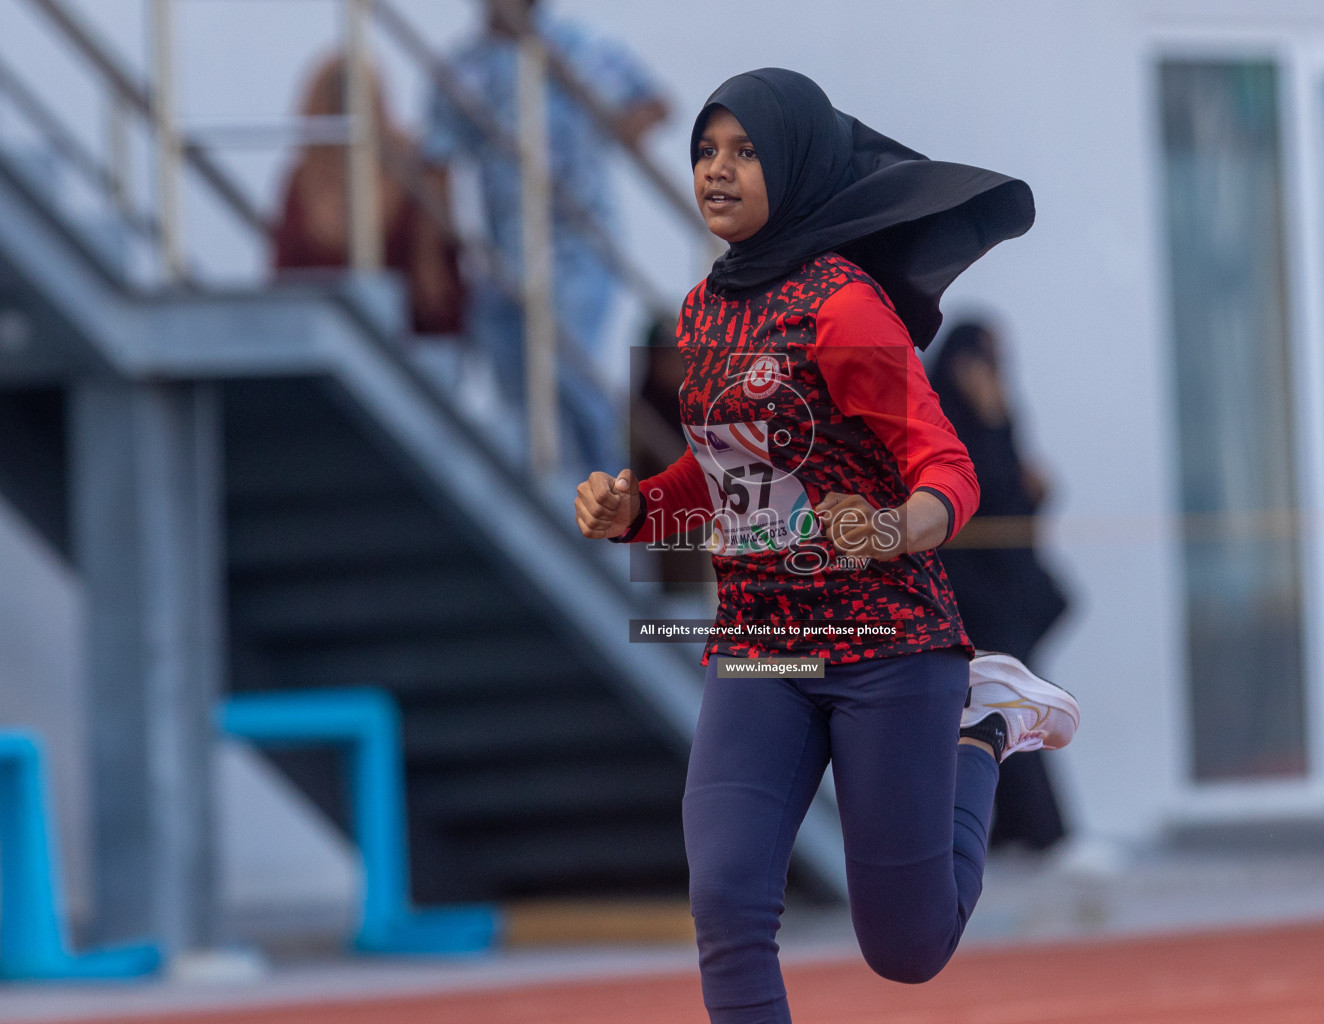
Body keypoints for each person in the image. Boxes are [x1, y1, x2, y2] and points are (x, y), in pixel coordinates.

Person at [573, 69, 1079, 1024]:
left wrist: (894, 526)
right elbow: (715, 482)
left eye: (745, 151)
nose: (716, 171)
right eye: (704, 152)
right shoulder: (698, 314)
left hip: (886, 647)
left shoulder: (843, 307)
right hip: (760, 648)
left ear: (796, 163)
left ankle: (988, 726)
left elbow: (949, 468)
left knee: (907, 949)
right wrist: (634, 510)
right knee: (725, 902)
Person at [422, 0, 668, 469]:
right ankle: (551, 497)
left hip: (582, 247)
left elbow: (653, 103)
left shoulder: (578, 46)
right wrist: (433, 259)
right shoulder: (463, 68)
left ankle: (608, 504)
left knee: (568, 372)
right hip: (502, 257)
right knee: (515, 382)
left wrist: (622, 125)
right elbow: (437, 164)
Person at [930, 320, 1072, 852]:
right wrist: (991, 428)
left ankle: (1017, 829)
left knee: (1004, 705)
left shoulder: (999, 413)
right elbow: (975, 494)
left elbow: (1014, 502)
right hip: (966, 591)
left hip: (1006, 588)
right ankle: (1044, 832)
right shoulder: (945, 417)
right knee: (1007, 705)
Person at [273, 54, 463, 335]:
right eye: (334, 105)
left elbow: (441, 290)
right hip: (321, 343)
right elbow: (284, 283)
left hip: (408, 347)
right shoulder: (302, 183)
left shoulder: (417, 173)